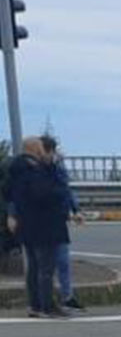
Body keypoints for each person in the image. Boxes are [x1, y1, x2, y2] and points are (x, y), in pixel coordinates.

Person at [5, 137, 70, 318]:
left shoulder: (16, 169)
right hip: (44, 225)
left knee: (34, 267)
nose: (44, 150)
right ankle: (46, 306)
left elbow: (10, 194)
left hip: (27, 224)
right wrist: (52, 169)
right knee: (46, 269)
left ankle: (35, 305)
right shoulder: (34, 170)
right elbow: (45, 193)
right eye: (41, 147)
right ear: (34, 149)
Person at [41, 135, 86, 310]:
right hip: (42, 220)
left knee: (62, 260)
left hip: (58, 219)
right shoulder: (35, 168)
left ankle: (67, 296)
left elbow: (66, 189)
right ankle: (46, 300)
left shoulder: (58, 168)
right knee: (45, 264)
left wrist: (75, 210)